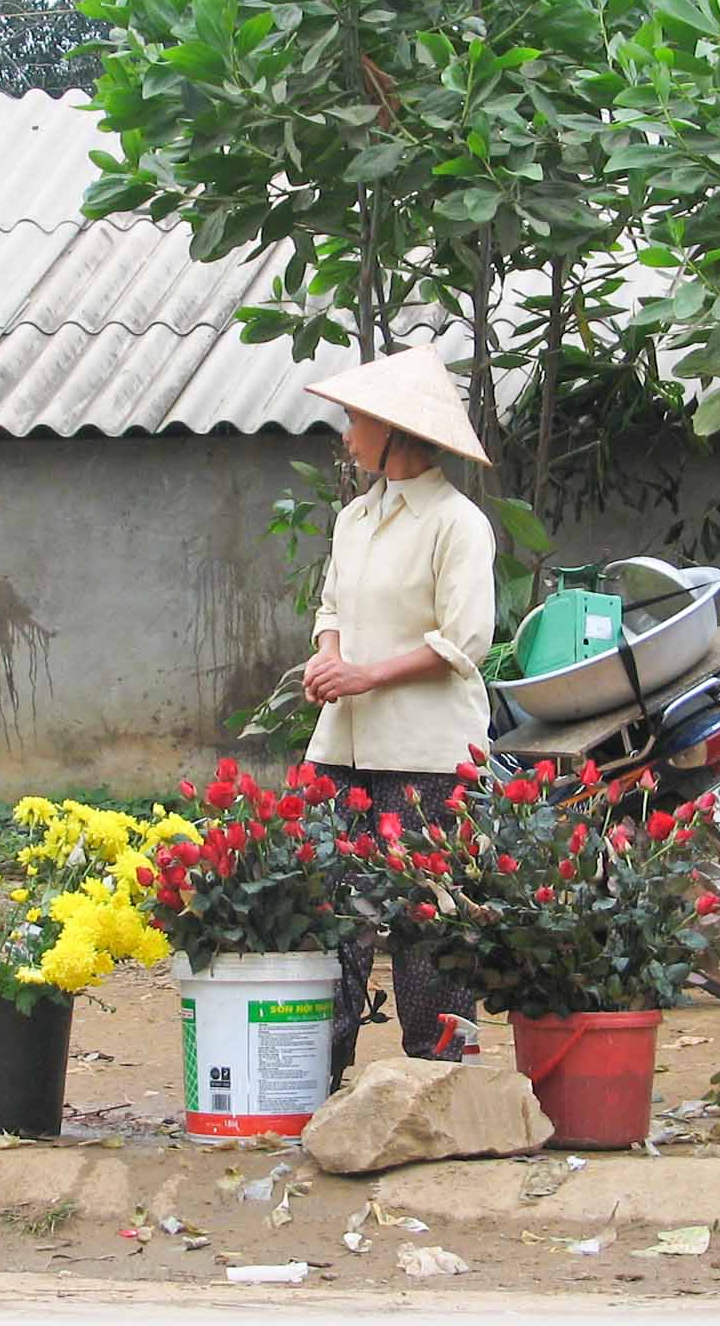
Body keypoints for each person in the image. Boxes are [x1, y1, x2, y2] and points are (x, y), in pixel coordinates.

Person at [299, 343, 498, 1080]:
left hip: (426, 752)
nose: (347, 436)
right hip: (342, 745)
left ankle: (438, 1073)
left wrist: (364, 674)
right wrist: (329, 656)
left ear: (395, 430)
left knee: (427, 912)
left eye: (355, 420)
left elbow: (464, 638)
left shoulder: (456, 523)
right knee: (328, 905)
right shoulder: (356, 518)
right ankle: (318, 1070)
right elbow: (330, 605)